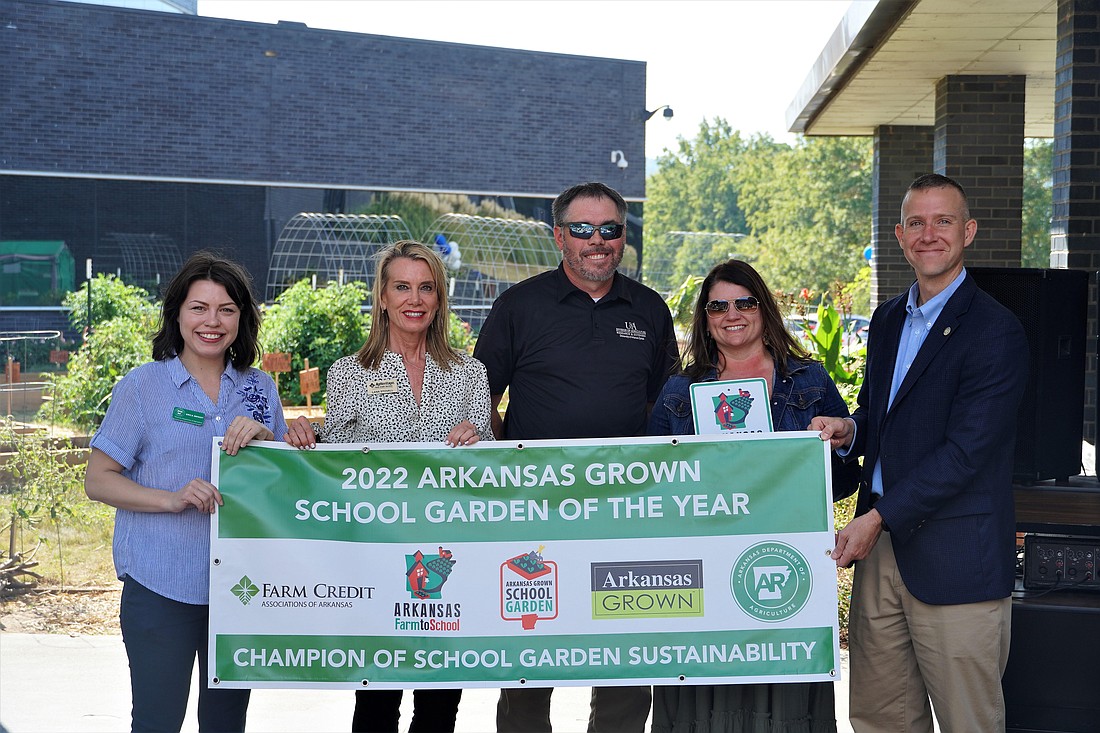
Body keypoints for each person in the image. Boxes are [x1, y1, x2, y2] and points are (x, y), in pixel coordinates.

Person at [812, 173, 1028, 733]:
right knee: (881, 719)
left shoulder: (995, 331)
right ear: (900, 235)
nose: (929, 234)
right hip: (881, 551)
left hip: (955, 557)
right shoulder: (887, 319)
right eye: (916, 222)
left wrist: (876, 517)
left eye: (943, 221)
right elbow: (883, 418)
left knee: (968, 722)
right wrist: (850, 430)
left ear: (969, 231)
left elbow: (966, 453)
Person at [473, 181, 678, 732]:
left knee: (625, 654)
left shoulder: (650, 309)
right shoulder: (519, 306)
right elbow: (476, 401)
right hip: (535, 511)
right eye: (583, 230)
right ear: (559, 235)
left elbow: (670, 409)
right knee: (529, 654)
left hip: (628, 513)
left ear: (623, 236)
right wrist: (515, 458)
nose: (597, 241)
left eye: (609, 229)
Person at [284, 240, 491, 733]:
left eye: (426, 288)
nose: (413, 299)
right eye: (401, 286)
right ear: (381, 295)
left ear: (440, 299)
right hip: (375, 562)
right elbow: (335, 464)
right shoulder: (349, 373)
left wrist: (477, 441)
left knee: (440, 708)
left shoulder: (470, 373)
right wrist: (305, 436)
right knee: (376, 705)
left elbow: (488, 476)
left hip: (447, 563)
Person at [647, 258, 860, 733]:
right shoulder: (680, 390)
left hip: (785, 569)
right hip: (703, 571)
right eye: (718, 306)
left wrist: (824, 447)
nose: (732, 314)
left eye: (744, 302)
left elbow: (846, 477)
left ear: (763, 307)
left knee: (784, 706)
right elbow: (654, 483)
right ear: (705, 317)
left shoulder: (809, 380)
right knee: (702, 705)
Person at [84, 251, 287, 732]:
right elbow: (98, 479)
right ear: (177, 314)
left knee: (225, 724)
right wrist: (170, 498)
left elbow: (284, 485)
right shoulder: (142, 387)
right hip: (161, 585)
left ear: (242, 318)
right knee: (157, 721)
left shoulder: (260, 389)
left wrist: (269, 443)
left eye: (226, 310)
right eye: (199, 308)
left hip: (241, 588)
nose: (212, 322)